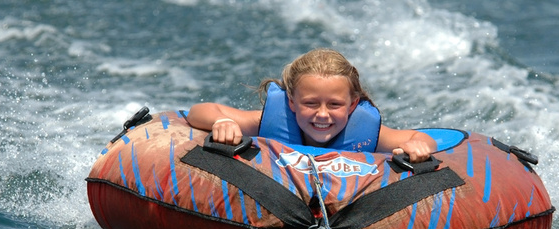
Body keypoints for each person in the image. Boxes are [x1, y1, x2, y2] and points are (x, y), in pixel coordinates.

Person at [186, 48, 435, 162]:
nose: (323, 114)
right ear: (292, 102)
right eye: (311, 103)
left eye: (335, 104)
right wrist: (223, 122)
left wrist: (418, 146)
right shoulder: (269, 121)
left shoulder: (366, 134)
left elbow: (422, 138)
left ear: (352, 105)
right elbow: (198, 112)